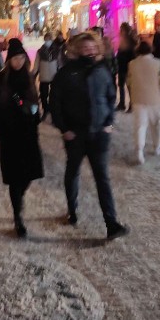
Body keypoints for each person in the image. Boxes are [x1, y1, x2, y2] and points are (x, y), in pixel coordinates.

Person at [51, 32, 129, 240]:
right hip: (75, 134)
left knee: (102, 177)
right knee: (73, 172)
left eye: (92, 48)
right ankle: (72, 209)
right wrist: (63, 128)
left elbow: (111, 96)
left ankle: (111, 223)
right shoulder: (66, 73)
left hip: (99, 134)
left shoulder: (102, 70)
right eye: (85, 48)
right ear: (77, 50)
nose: (89, 51)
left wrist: (109, 121)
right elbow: (55, 102)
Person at [0, 38, 43, 238]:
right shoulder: (0, 79)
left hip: (28, 133)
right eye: (15, 58)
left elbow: (34, 99)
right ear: (9, 59)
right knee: (15, 177)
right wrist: (2, 126)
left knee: (29, 175)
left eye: (22, 57)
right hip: (10, 134)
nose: (19, 61)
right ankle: (18, 216)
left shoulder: (29, 77)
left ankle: (18, 200)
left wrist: (35, 116)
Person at [127, 41, 160, 164]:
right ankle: (157, 146)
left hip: (138, 99)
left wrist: (132, 95)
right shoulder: (158, 63)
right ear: (151, 50)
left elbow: (128, 82)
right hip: (154, 99)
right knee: (156, 124)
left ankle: (139, 151)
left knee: (140, 126)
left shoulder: (132, 64)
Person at [31, 33, 61, 121]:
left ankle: (52, 110)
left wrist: (61, 72)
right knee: (43, 95)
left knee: (53, 95)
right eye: (46, 39)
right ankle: (45, 110)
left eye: (49, 39)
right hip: (44, 76)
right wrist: (33, 73)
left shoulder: (56, 50)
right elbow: (36, 63)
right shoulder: (40, 51)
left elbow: (59, 63)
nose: (48, 41)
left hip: (54, 76)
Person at [115, 23, 138, 113]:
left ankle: (131, 105)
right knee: (121, 85)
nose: (121, 31)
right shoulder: (122, 40)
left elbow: (132, 55)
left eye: (122, 29)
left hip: (128, 67)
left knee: (129, 87)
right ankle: (122, 103)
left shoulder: (131, 41)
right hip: (121, 66)